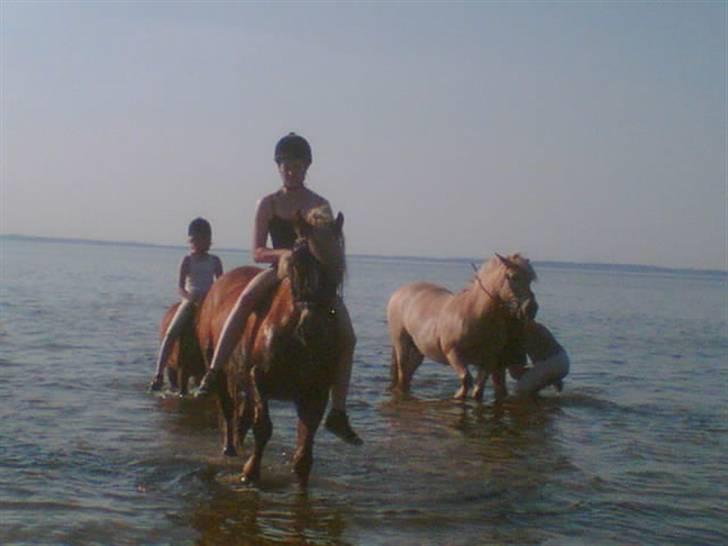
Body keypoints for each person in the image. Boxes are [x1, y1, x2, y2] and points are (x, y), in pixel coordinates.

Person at [196, 133, 362, 446]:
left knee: (348, 335)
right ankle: (215, 370)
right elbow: (257, 251)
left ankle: (338, 411)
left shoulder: (319, 204)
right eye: (286, 165)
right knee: (243, 299)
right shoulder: (269, 203)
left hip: (311, 281)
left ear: (306, 166)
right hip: (279, 271)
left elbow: (327, 247)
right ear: (279, 167)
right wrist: (284, 254)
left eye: (297, 165)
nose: (291, 170)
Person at [149, 218, 223, 392]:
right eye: (196, 239)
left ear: (209, 239)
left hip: (210, 301)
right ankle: (159, 374)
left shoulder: (215, 261)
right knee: (171, 332)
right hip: (191, 299)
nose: (200, 243)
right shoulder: (187, 260)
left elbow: (220, 284)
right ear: (191, 241)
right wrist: (190, 298)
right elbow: (180, 287)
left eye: (204, 239)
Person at [505, 319, 570, 397]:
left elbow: (515, 372)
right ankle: (549, 405)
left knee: (520, 390)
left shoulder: (515, 333)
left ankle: (535, 406)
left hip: (550, 363)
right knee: (531, 381)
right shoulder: (535, 325)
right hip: (563, 360)